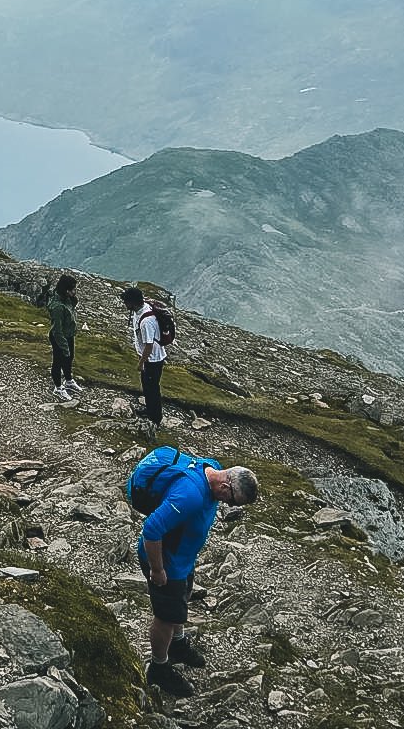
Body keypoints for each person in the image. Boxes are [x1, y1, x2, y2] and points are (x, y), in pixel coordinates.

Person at [131, 448, 259, 696]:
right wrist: (157, 570)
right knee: (166, 616)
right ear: (225, 487)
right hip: (166, 563)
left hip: (183, 559)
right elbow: (152, 530)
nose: (229, 505)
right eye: (232, 501)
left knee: (181, 600)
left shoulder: (211, 466)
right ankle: (158, 667)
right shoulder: (189, 495)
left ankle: (177, 646)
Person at [122, 286, 166, 425]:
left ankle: (155, 418)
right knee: (147, 386)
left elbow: (149, 345)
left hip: (152, 360)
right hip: (149, 358)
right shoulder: (141, 308)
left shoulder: (147, 321)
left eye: (126, 301)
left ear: (133, 302)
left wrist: (141, 362)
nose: (125, 304)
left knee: (152, 387)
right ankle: (150, 409)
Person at [47, 275, 82, 401]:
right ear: (66, 290)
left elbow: (73, 303)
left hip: (68, 335)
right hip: (59, 337)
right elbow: (57, 330)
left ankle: (68, 380)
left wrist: (72, 297)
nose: (75, 291)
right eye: (72, 289)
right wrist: (63, 346)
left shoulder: (67, 299)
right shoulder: (58, 307)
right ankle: (58, 388)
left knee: (69, 357)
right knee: (58, 361)